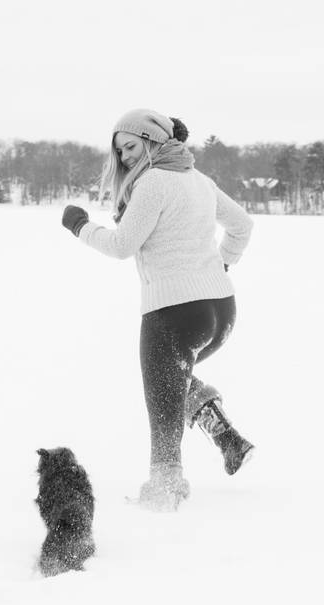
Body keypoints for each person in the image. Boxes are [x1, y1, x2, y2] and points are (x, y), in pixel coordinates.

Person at [61, 108, 254, 511]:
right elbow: (242, 225)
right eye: (119, 152)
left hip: (176, 313)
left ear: (151, 140)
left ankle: (163, 495)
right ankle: (225, 436)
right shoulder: (197, 180)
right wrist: (220, 265)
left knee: (162, 394)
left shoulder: (152, 183)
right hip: (221, 311)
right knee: (171, 376)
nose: (125, 157)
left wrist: (81, 227)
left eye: (130, 146)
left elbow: (120, 246)